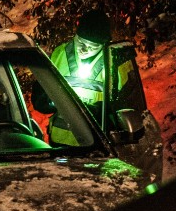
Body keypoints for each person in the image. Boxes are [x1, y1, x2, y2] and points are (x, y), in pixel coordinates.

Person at [48, 10, 137, 144]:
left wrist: (100, 111)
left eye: (92, 46)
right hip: (59, 143)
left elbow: (127, 107)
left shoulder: (114, 64)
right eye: (80, 43)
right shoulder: (60, 53)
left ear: (104, 44)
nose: (84, 50)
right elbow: (47, 89)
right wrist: (44, 97)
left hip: (96, 147)